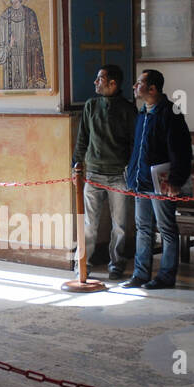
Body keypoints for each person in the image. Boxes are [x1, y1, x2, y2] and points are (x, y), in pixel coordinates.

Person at [123, 69, 192, 290]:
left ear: (152, 88)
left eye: (139, 83)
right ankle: (141, 274)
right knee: (143, 228)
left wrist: (176, 180)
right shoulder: (142, 112)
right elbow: (137, 147)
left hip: (161, 182)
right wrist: (131, 173)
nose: (135, 86)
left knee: (166, 228)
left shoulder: (171, 112)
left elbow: (180, 150)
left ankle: (166, 275)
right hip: (141, 180)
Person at [74, 64, 137, 280]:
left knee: (119, 225)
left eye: (99, 79)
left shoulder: (128, 109)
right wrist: (77, 164)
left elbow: (133, 143)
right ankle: (83, 262)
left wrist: (130, 168)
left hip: (119, 174)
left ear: (113, 83)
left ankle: (117, 263)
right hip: (93, 173)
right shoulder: (91, 106)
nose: (95, 83)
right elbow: (82, 137)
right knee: (89, 224)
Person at [0, 0, 48, 90]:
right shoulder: (4, 17)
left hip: (26, 63)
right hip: (10, 64)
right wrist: (8, 46)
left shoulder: (30, 14)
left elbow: (37, 46)